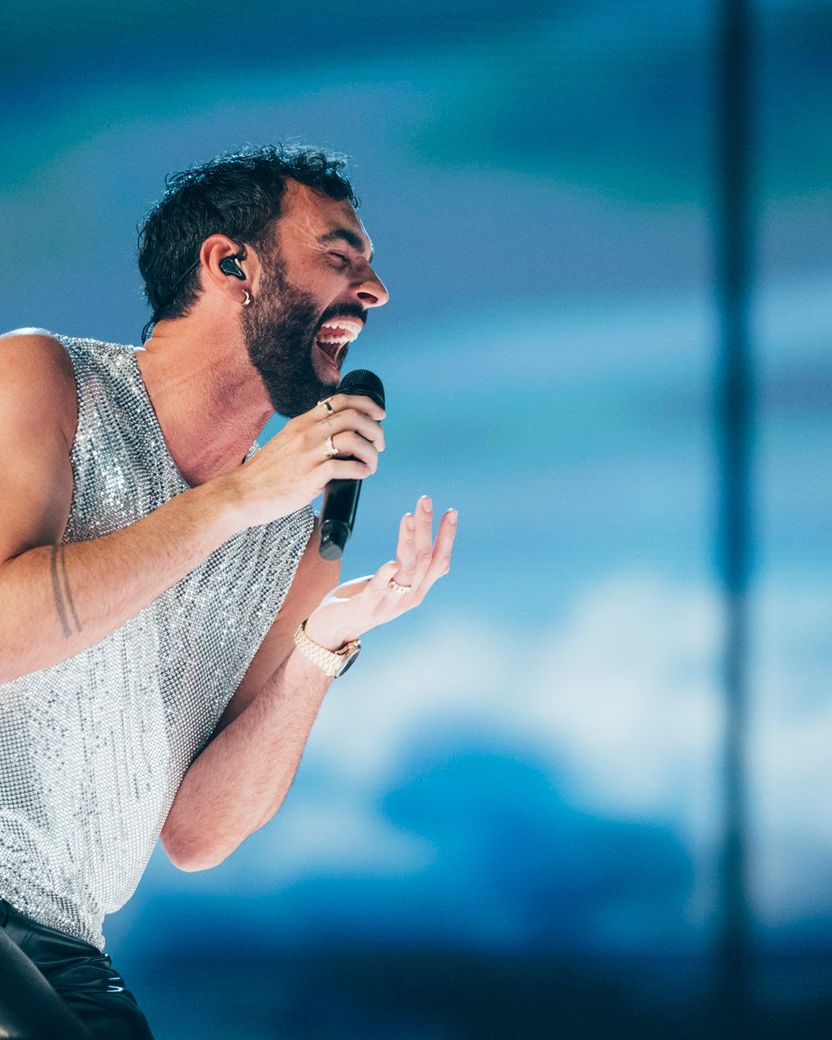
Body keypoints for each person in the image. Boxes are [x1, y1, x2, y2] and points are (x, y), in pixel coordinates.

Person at [0, 145, 457, 1039]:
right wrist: (237, 498)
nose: (375, 289)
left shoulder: (293, 537)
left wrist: (323, 651)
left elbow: (198, 835)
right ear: (230, 264)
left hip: (62, 940)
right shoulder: (45, 380)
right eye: (340, 255)